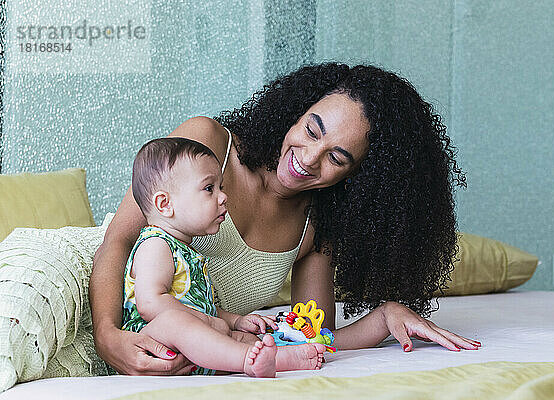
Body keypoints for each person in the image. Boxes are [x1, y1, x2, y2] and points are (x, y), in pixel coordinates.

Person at [91, 63, 481, 376]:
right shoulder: (207, 148)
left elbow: (312, 339)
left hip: (193, 347)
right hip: (102, 301)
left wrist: (384, 316)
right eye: (312, 130)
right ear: (295, 113)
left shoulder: (315, 229)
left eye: (337, 158)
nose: (309, 157)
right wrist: (108, 338)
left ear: (357, 178)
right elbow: (119, 241)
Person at [120, 137, 325, 377]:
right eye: (209, 188)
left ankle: (281, 358)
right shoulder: (156, 244)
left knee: (244, 337)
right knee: (175, 323)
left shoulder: (189, 251)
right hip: (153, 345)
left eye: (221, 187)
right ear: (165, 204)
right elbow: (150, 304)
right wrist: (206, 322)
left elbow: (202, 306)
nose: (223, 197)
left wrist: (235, 321)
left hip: (192, 345)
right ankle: (247, 361)